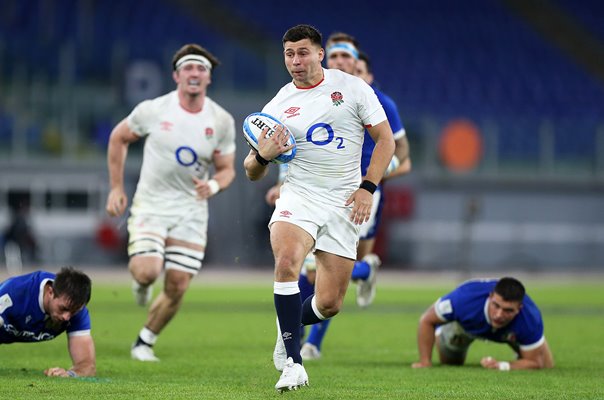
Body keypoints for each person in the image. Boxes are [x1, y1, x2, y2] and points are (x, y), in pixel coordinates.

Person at [243, 24, 395, 391]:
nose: (295, 61)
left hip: (344, 200)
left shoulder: (353, 88)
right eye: (289, 54)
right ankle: (294, 365)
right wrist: (262, 157)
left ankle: (288, 328)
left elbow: (385, 141)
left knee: (329, 304)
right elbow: (251, 171)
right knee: (286, 262)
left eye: (302, 53)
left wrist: (367, 188)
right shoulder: (278, 105)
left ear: (319, 53)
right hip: (299, 195)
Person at [105, 43, 236, 362]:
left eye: (201, 69)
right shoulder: (154, 109)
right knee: (148, 271)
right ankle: (141, 282)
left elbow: (227, 169)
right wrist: (116, 187)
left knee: (177, 285)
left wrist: (215, 185)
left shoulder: (221, 120)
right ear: (176, 75)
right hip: (152, 203)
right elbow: (118, 137)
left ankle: (144, 342)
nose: (195, 73)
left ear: (209, 78)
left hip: (191, 209)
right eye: (189, 68)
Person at [412, 277, 554, 370]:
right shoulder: (463, 299)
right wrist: (425, 361)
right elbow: (426, 320)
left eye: (508, 310)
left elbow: (536, 363)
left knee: (546, 366)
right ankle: (443, 334)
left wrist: (502, 365)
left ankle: (523, 347)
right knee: (451, 365)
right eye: (496, 306)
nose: (499, 315)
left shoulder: (530, 317)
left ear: (519, 309)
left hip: (511, 333)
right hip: (464, 327)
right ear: (490, 296)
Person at [0, 267, 95, 377]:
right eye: (63, 309)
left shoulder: (76, 310)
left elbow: (87, 366)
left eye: (73, 312)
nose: (66, 317)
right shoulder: (14, 294)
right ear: (50, 292)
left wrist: (70, 374)